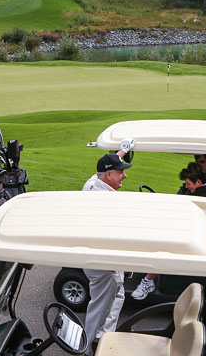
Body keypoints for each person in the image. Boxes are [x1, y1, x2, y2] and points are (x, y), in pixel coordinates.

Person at [135, 161, 206, 300]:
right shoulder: (192, 190)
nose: (186, 186)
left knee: (163, 245)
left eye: (188, 183)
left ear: (198, 182)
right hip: (184, 226)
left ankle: (148, 281)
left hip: (195, 236)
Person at [82, 142, 132, 349]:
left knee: (117, 297)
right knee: (101, 307)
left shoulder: (95, 181)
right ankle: (87, 346)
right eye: (120, 172)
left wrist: (121, 152)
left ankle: (105, 338)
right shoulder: (104, 199)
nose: (124, 176)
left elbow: (103, 167)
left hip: (107, 261)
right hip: (104, 263)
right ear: (109, 174)